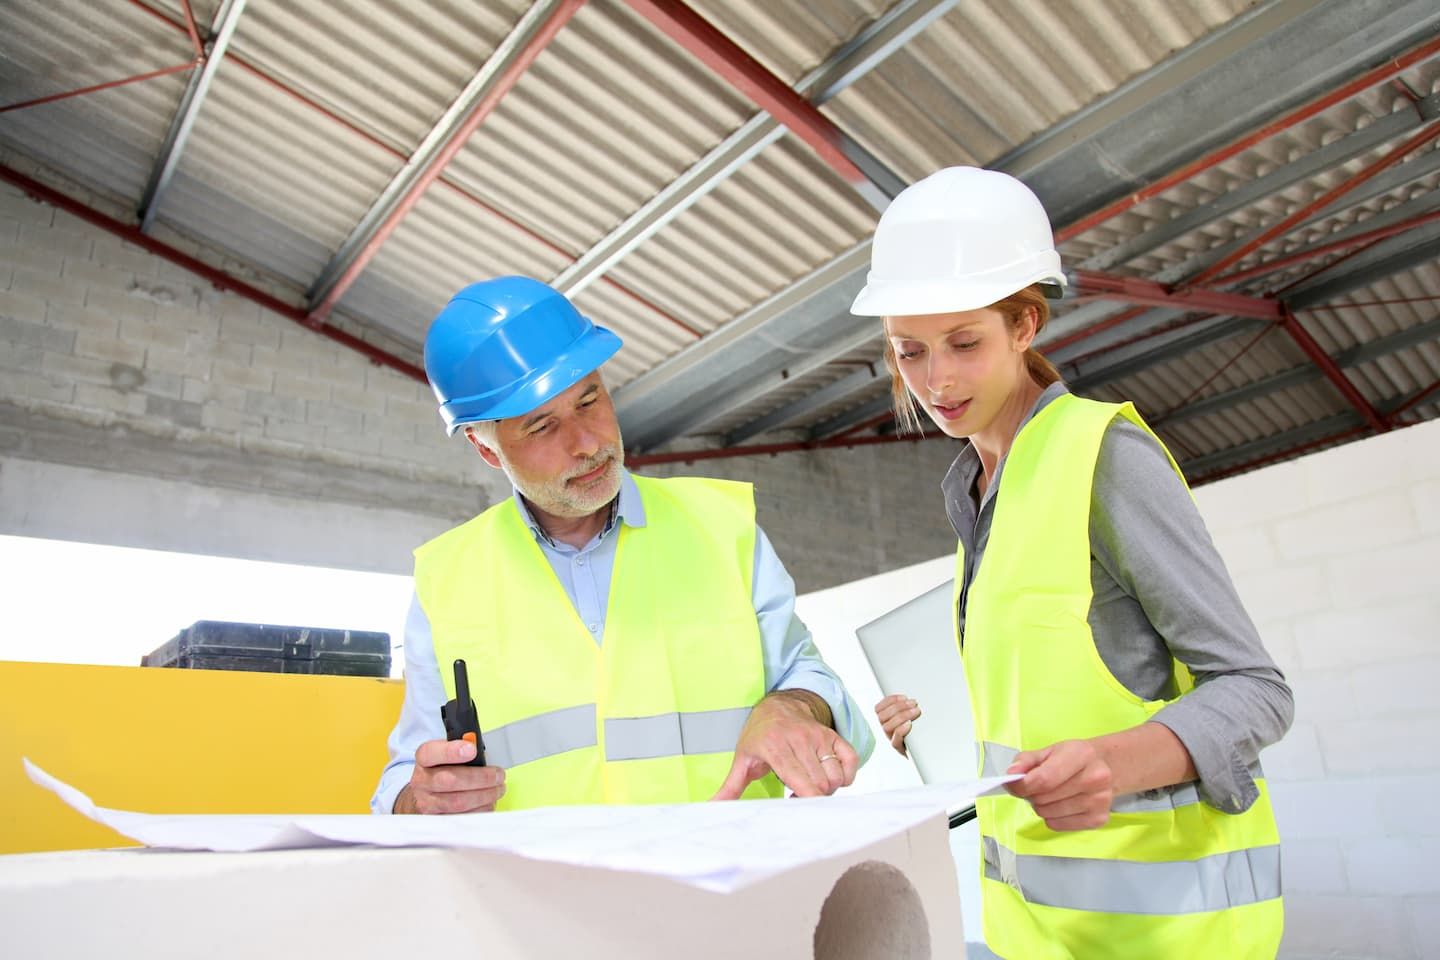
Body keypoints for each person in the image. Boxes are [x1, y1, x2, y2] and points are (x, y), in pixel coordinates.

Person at [852, 167, 1292, 959]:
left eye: (964, 343)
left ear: (1025, 325)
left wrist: (1112, 766)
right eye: (909, 351)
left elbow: (1256, 691)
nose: (936, 381)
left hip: (1166, 937)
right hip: (1037, 936)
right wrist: (935, 735)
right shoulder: (979, 490)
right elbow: (1063, 698)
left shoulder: (1101, 455)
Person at [372, 276, 874, 816]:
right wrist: (418, 801)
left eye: (589, 400)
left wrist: (794, 708)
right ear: (486, 448)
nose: (587, 444)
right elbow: (403, 779)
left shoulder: (722, 529)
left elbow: (808, 677)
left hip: (727, 885)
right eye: (542, 427)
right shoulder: (449, 581)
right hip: (545, 897)